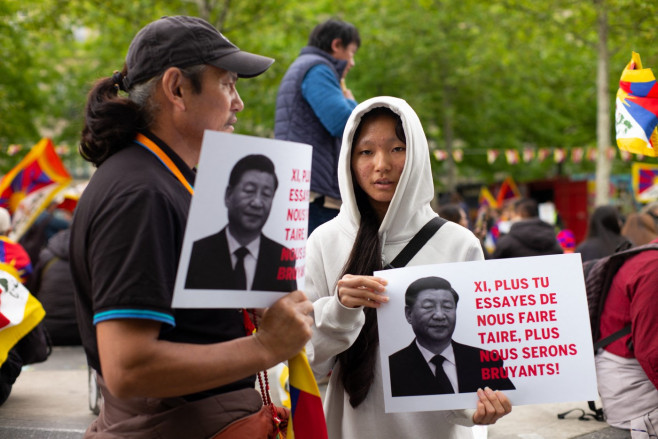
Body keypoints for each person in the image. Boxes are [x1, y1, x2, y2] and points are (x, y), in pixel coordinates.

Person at [69, 16, 314, 438]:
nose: (238, 102)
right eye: (228, 83)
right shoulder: (141, 193)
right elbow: (128, 366)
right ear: (177, 88)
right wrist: (266, 346)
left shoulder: (162, 179)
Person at [306, 96, 511, 439]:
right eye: (366, 152)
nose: (381, 164)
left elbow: (472, 361)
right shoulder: (324, 242)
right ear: (348, 159)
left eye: (397, 148)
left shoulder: (458, 244)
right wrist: (339, 310)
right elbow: (309, 365)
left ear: (416, 154)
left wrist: (481, 407)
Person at [274, 18, 360, 234]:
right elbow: (343, 122)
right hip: (316, 196)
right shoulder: (318, 69)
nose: (352, 62)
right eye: (351, 52)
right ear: (336, 45)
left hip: (306, 189)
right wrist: (350, 100)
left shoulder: (305, 66)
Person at [185, 154, 297, 291]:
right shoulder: (196, 252)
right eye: (249, 191)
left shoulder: (283, 258)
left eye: (266, 194)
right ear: (228, 195)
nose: (257, 202)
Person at [389, 276, 515, 397]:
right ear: (409, 314)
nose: (439, 315)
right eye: (428, 307)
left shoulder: (486, 361)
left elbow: (510, 402)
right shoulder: (392, 368)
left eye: (447, 307)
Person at [595, 236, 658, 435]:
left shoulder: (647, 257)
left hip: (628, 381)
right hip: (635, 396)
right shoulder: (654, 268)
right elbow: (651, 352)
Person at [28, 228, 81, 346]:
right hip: (80, 331)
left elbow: (33, 289)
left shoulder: (46, 256)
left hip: (47, 331)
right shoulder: (86, 258)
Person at [491, 198, 563, 259]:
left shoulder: (506, 242)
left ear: (519, 214)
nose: (510, 219)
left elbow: (491, 266)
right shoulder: (552, 238)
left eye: (512, 215)